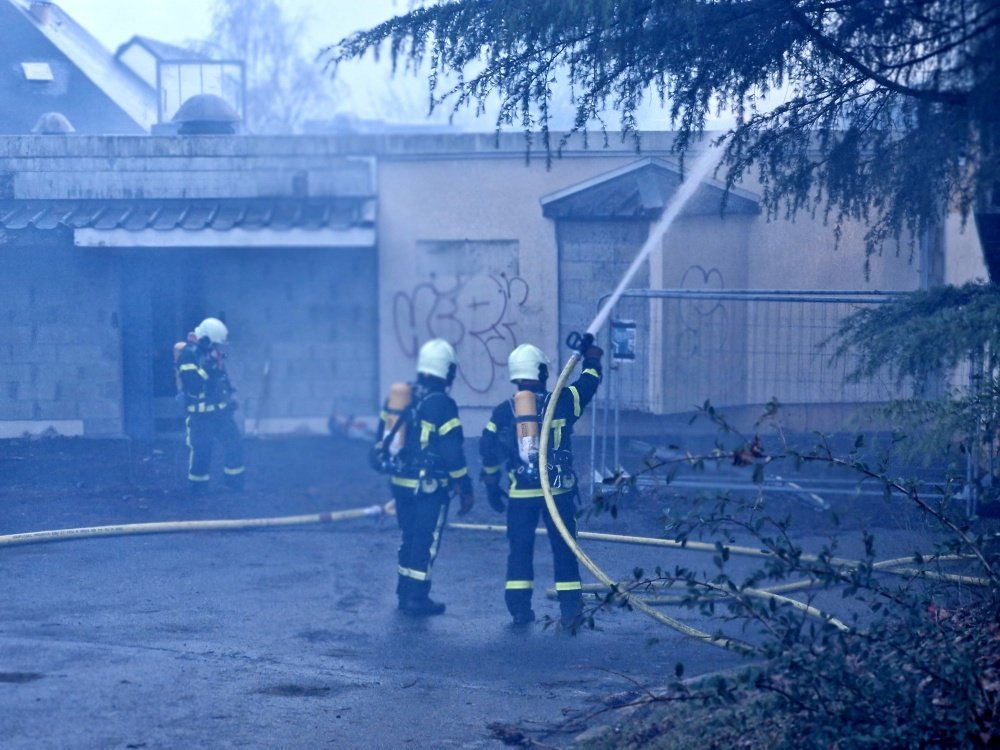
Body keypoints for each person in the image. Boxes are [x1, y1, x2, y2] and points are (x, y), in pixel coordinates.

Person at [479, 335, 603, 630]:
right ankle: (571, 609)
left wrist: (491, 483)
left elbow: (487, 447)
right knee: (564, 548)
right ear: (542, 372)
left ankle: (520, 610)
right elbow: (588, 385)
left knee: (519, 548)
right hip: (557, 492)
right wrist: (592, 359)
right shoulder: (562, 402)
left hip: (521, 493)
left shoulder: (503, 411)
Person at [371, 338, 475, 617]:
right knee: (424, 541)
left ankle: (404, 593)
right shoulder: (442, 404)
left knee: (408, 536)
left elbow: (381, 436)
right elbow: (452, 452)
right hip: (429, 487)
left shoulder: (402, 396)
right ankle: (417, 597)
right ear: (447, 371)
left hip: (400, 483)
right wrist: (465, 486)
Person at [175, 317, 245, 495]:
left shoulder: (210, 352)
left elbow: (221, 379)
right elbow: (194, 384)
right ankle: (198, 489)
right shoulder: (188, 355)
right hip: (200, 416)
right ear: (205, 339)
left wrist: (229, 397)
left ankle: (235, 484)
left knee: (235, 444)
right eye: (214, 344)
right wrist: (209, 366)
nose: (217, 348)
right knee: (202, 451)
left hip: (221, 413)